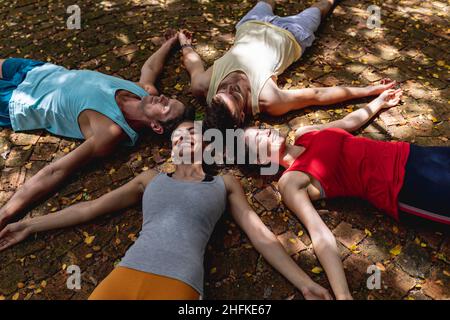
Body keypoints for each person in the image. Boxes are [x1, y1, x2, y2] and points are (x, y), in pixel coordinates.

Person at [0, 120, 334, 300]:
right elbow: (92, 208)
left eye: (189, 134)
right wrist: (31, 225)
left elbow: (262, 237)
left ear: (207, 143)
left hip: (177, 283)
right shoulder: (150, 179)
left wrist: (304, 283)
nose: (180, 141)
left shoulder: (225, 183)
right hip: (124, 275)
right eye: (176, 138)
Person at [244, 88, 450, 299]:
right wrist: (343, 295)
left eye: (260, 128)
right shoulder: (291, 181)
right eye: (257, 139)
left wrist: (379, 101)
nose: (264, 131)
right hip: (403, 188)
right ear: (261, 160)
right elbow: (319, 234)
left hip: (413, 154)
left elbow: (348, 122)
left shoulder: (304, 133)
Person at [0, 31, 195, 230]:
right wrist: (172, 43)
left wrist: (5, 214)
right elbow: (151, 67)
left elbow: (56, 171)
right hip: (40, 71)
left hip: (16, 100)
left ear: (156, 126)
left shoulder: (111, 132)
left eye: (166, 107)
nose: (162, 98)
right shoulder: (144, 90)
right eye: (168, 99)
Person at [179, 0, 396, 131]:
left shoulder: (202, 86)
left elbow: (193, 64)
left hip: (251, 24)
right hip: (292, 33)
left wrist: (184, 44)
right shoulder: (268, 100)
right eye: (235, 95)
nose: (229, 86)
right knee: (321, 7)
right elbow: (317, 95)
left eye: (222, 90)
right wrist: (369, 90)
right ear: (242, 115)